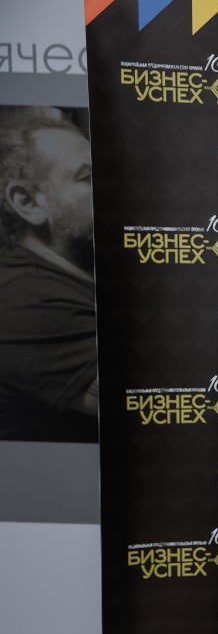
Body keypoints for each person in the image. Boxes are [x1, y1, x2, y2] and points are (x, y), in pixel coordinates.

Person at [0, 109, 97, 442]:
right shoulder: (25, 302)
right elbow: (160, 400)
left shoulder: (68, 276)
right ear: (29, 202)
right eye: (87, 178)